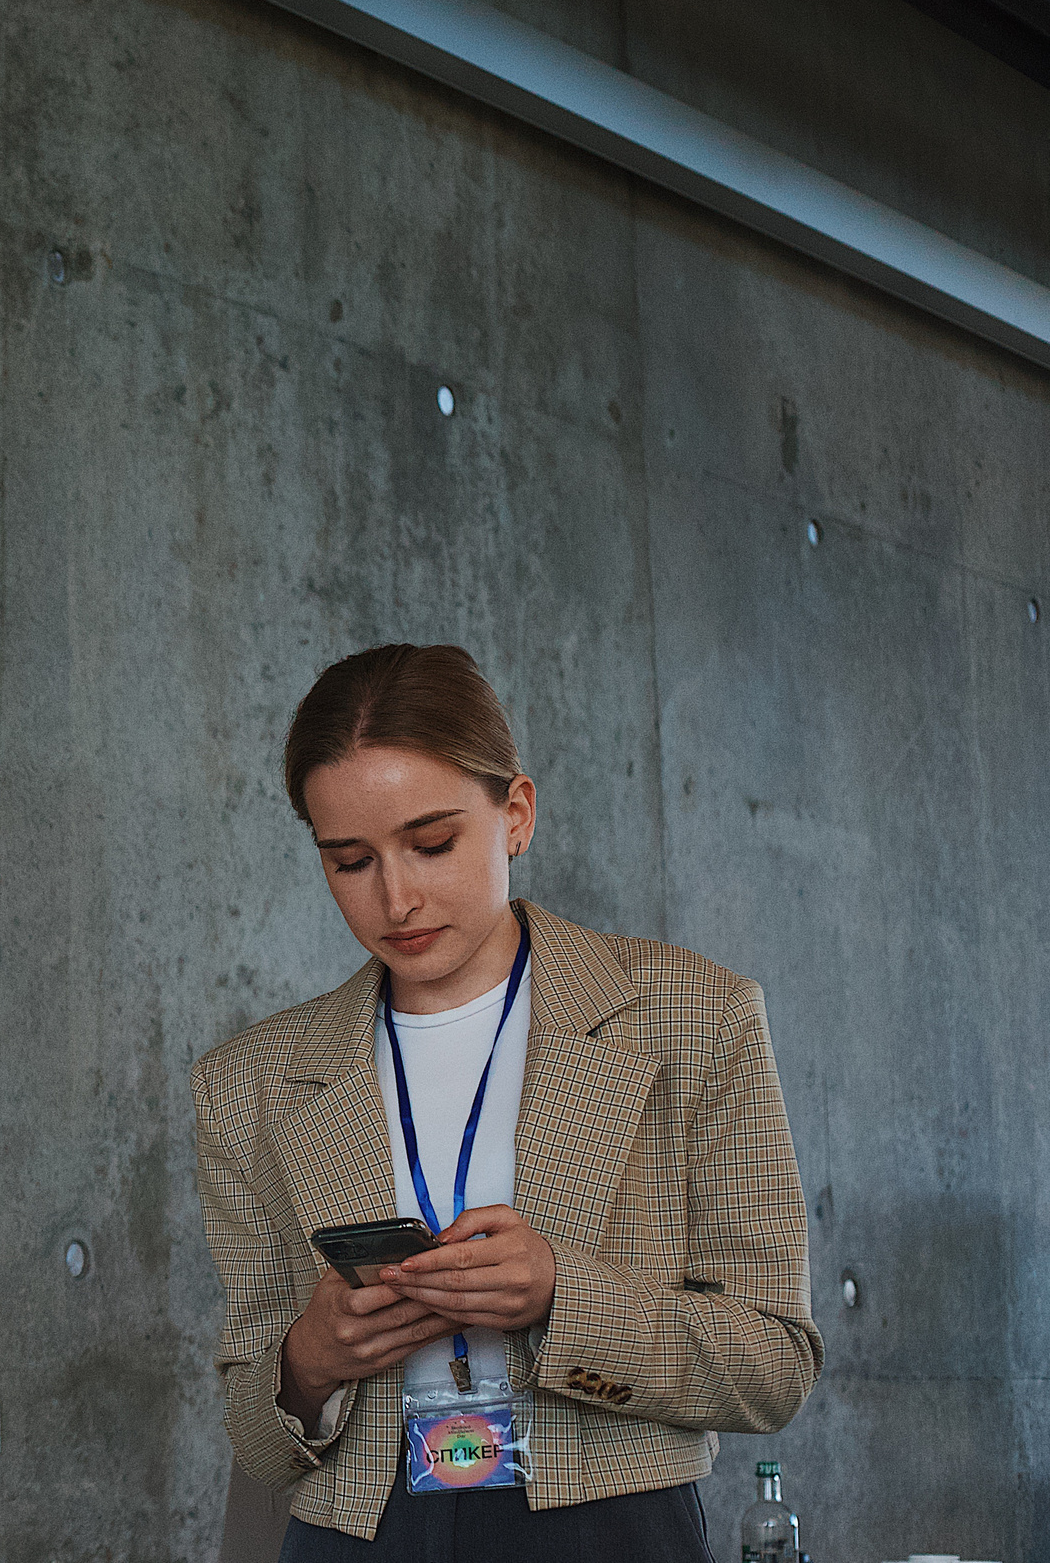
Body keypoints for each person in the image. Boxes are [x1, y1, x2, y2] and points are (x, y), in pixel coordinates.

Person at [190, 644, 820, 1559]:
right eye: (351, 860)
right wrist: (308, 1362)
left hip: (610, 1531)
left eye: (432, 843)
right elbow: (254, 1436)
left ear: (515, 814)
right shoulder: (248, 1083)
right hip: (358, 1536)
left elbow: (776, 1364)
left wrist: (563, 1294)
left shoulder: (694, 1017)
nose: (397, 898)